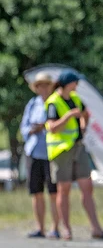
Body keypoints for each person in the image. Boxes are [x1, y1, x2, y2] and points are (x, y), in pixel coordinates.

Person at [45, 70, 103, 241]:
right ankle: (66, 229)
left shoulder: (75, 98)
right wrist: (68, 116)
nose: (77, 86)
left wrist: (83, 125)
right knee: (64, 190)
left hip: (78, 146)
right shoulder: (53, 102)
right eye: (75, 82)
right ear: (68, 83)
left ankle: (96, 228)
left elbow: (85, 114)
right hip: (61, 151)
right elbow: (52, 127)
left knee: (87, 187)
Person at [20, 73, 60, 239]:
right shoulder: (32, 104)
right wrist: (32, 130)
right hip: (34, 151)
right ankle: (40, 228)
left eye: (46, 85)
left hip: (51, 152)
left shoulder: (55, 103)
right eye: (40, 85)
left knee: (53, 192)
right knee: (36, 191)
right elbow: (24, 127)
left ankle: (55, 228)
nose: (43, 88)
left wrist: (45, 126)